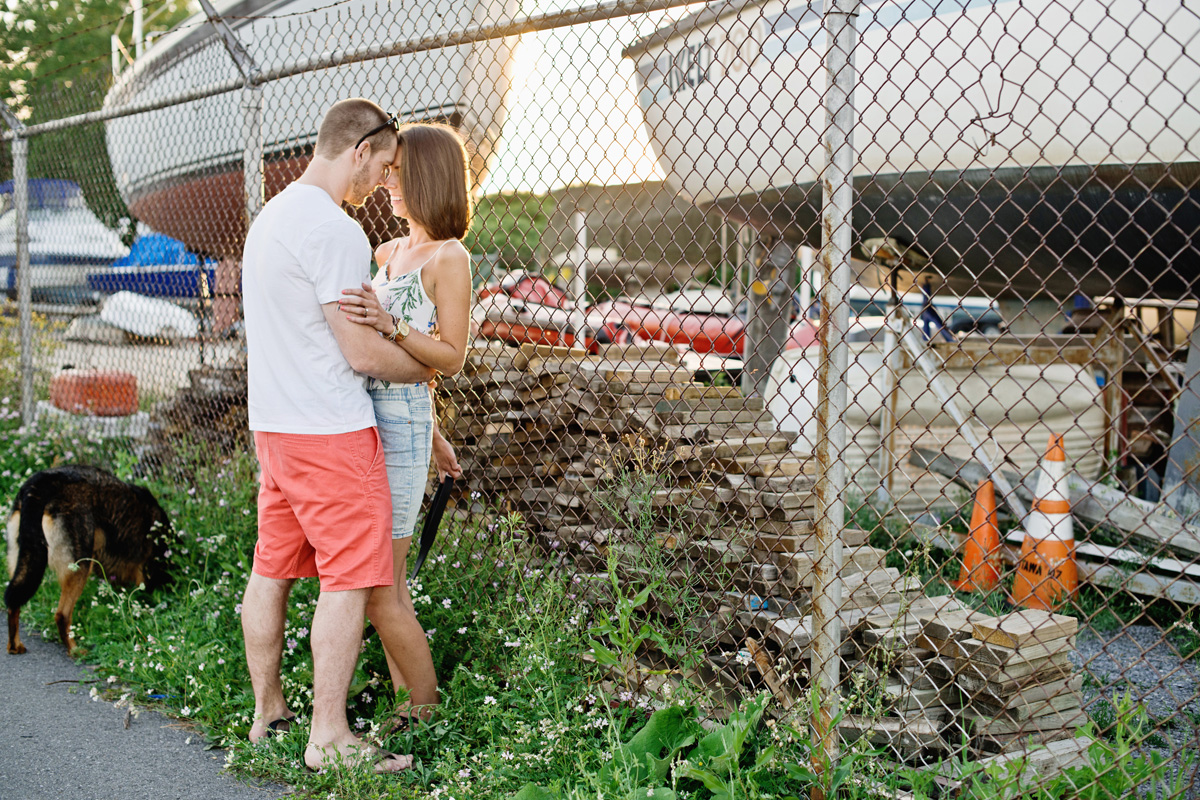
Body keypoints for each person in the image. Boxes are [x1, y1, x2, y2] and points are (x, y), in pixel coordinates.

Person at [240, 98, 435, 774]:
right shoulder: (334, 229)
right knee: (349, 578)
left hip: (276, 428)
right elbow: (361, 353)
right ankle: (330, 738)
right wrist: (426, 366)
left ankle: (268, 713)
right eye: (382, 167)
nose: (381, 183)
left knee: (271, 569)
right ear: (359, 150)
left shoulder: (271, 216)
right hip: (328, 431)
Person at [336, 123, 472, 731]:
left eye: (399, 173)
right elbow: (404, 366)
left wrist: (389, 325)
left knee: (378, 591)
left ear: (430, 177)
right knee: (383, 588)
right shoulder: (388, 255)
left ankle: (424, 716)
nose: (388, 182)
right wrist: (441, 438)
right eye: (387, 172)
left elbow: (450, 356)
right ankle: (406, 711)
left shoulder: (449, 258)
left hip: (402, 425)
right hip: (373, 417)